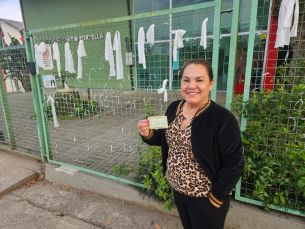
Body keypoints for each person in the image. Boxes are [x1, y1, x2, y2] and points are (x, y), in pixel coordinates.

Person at [137, 59, 244, 229]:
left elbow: (234, 165)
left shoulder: (222, 119)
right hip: (179, 190)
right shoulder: (174, 108)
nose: (191, 86)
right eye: (186, 80)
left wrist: (216, 198)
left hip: (205, 197)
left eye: (199, 80)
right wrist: (148, 133)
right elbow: (166, 138)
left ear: (211, 84)